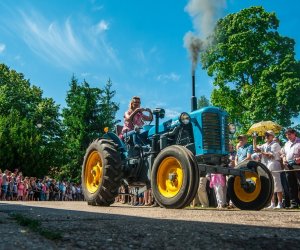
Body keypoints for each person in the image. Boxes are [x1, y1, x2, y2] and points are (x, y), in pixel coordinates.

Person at [253, 130, 283, 209]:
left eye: (268, 135)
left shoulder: (275, 144)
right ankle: (272, 203)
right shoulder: (264, 145)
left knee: (277, 183)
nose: (266, 136)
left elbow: (271, 155)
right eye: (265, 135)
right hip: (266, 165)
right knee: (270, 184)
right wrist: (254, 139)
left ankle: (280, 203)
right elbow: (255, 149)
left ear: (272, 136)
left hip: (274, 164)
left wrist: (261, 152)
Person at [281, 128, 300, 209]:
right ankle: (294, 203)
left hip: (298, 165)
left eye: (289, 134)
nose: (288, 136)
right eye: (287, 135)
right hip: (288, 165)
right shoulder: (286, 144)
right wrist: (284, 159)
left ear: (294, 133)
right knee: (291, 185)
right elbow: (283, 153)